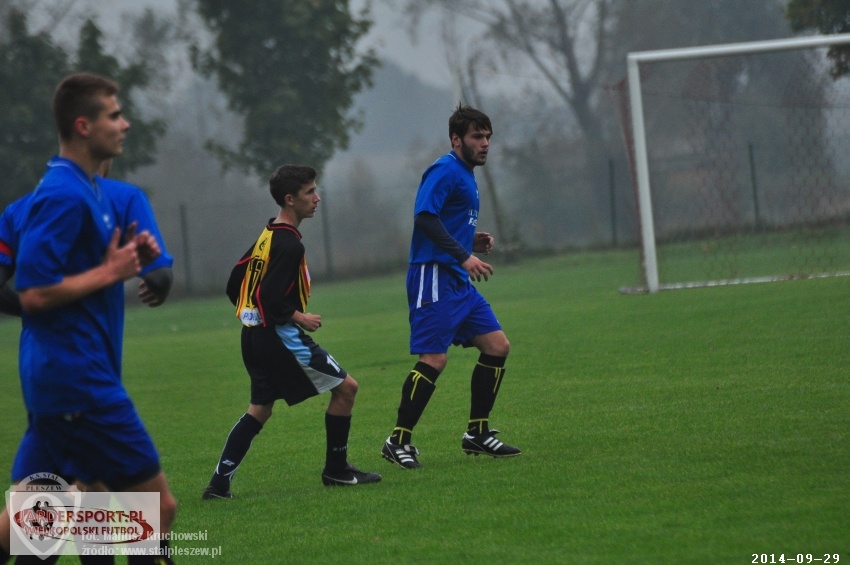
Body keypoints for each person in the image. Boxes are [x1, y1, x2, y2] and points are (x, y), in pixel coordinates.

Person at [4, 72, 177, 564]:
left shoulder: (90, 191)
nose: (125, 124)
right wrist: (112, 271)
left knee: (34, 528)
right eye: (114, 115)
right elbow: (34, 292)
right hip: (80, 382)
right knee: (156, 510)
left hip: (61, 380)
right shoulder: (63, 194)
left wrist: (134, 259)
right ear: (84, 125)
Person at [202, 164, 381, 498]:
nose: (316, 198)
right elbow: (269, 297)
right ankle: (337, 471)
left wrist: (252, 317)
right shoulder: (289, 245)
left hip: (253, 336)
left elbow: (235, 284)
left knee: (260, 408)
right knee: (346, 389)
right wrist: (300, 317)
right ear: (290, 199)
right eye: (309, 192)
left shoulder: (268, 234)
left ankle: (218, 485)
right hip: (279, 337)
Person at [381, 103, 521, 470]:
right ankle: (398, 441)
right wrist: (463, 255)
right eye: (477, 136)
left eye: (488, 137)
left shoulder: (466, 173)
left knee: (497, 346)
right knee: (434, 359)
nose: (485, 143)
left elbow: (443, 222)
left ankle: (477, 433)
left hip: (456, 278)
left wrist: (469, 241)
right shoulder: (445, 169)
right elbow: (425, 218)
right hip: (433, 276)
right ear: (456, 139)